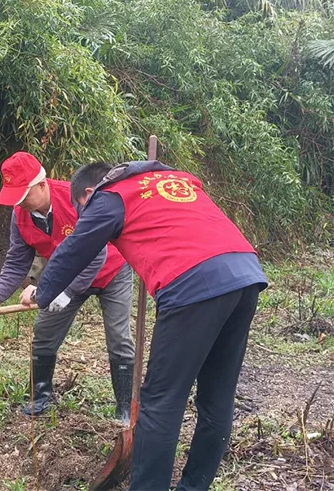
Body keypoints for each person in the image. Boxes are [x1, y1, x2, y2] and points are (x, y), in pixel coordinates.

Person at [20, 159, 268, 491]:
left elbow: (75, 248)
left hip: (193, 283)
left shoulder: (108, 196)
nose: (84, 217)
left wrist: (43, 292)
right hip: (245, 273)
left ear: (89, 193)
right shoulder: (173, 180)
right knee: (217, 397)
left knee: (161, 401)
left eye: (82, 210)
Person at [0, 152, 135, 419]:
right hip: (64, 278)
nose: (20, 203)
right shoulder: (20, 216)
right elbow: (16, 263)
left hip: (111, 271)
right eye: (15, 197)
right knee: (44, 332)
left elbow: (97, 254)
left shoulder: (76, 200)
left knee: (119, 338)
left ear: (41, 184)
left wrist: (68, 291)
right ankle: (40, 398)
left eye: (24, 195)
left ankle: (125, 409)